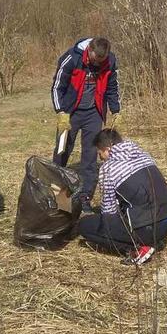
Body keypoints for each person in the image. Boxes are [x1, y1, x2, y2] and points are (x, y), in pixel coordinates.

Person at [78, 129, 167, 266]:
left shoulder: (108, 169)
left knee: (85, 226)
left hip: (147, 227)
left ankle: (138, 248)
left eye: (100, 154)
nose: (100, 159)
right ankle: (153, 240)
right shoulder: (143, 155)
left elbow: (109, 212)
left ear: (107, 149)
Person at [51, 36, 120, 213]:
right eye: (95, 60)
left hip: (93, 113)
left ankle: (85, 198)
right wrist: (60, 112)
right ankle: (57, 195)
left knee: (90, 158)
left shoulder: (109, 61)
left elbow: (112, 86)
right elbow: (57, 86)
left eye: (101, 61)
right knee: (62, 152)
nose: (97, 65)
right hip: (69, 113)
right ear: (89, 50)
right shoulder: (72, 58)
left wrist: (115, 109)